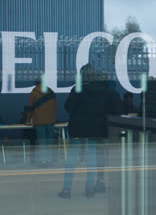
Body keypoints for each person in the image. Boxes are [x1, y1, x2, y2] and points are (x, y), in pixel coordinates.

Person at [59, 64, 121, 199]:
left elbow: (68, 107)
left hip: (77, 129)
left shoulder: (78, 89)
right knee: (92, 159)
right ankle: (89, 189)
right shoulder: (105, 91)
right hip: (95, 130)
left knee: (72, 159)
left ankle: (67, 190)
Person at [26, 79, 57, 167]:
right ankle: (50, 160)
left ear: (36, 84)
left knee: (42, 142)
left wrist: (28, 120)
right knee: (50, 142)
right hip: (51, 121)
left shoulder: (34, 93)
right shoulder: (51, 92)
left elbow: (30, 108)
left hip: (39, 121)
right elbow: (55, 107)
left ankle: (43, 161)